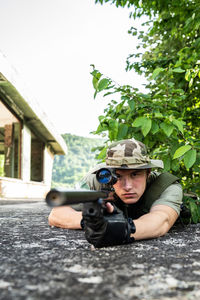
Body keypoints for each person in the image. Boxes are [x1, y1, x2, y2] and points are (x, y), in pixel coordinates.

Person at [48, 138, 183, 247]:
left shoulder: (166, 185)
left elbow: (161, 220)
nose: (127, 186)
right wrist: (93, 221)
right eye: (118, 176)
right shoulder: (99, 180)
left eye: (135, 174)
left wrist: (121, 230)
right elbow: (56, 213)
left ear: (147, 173)